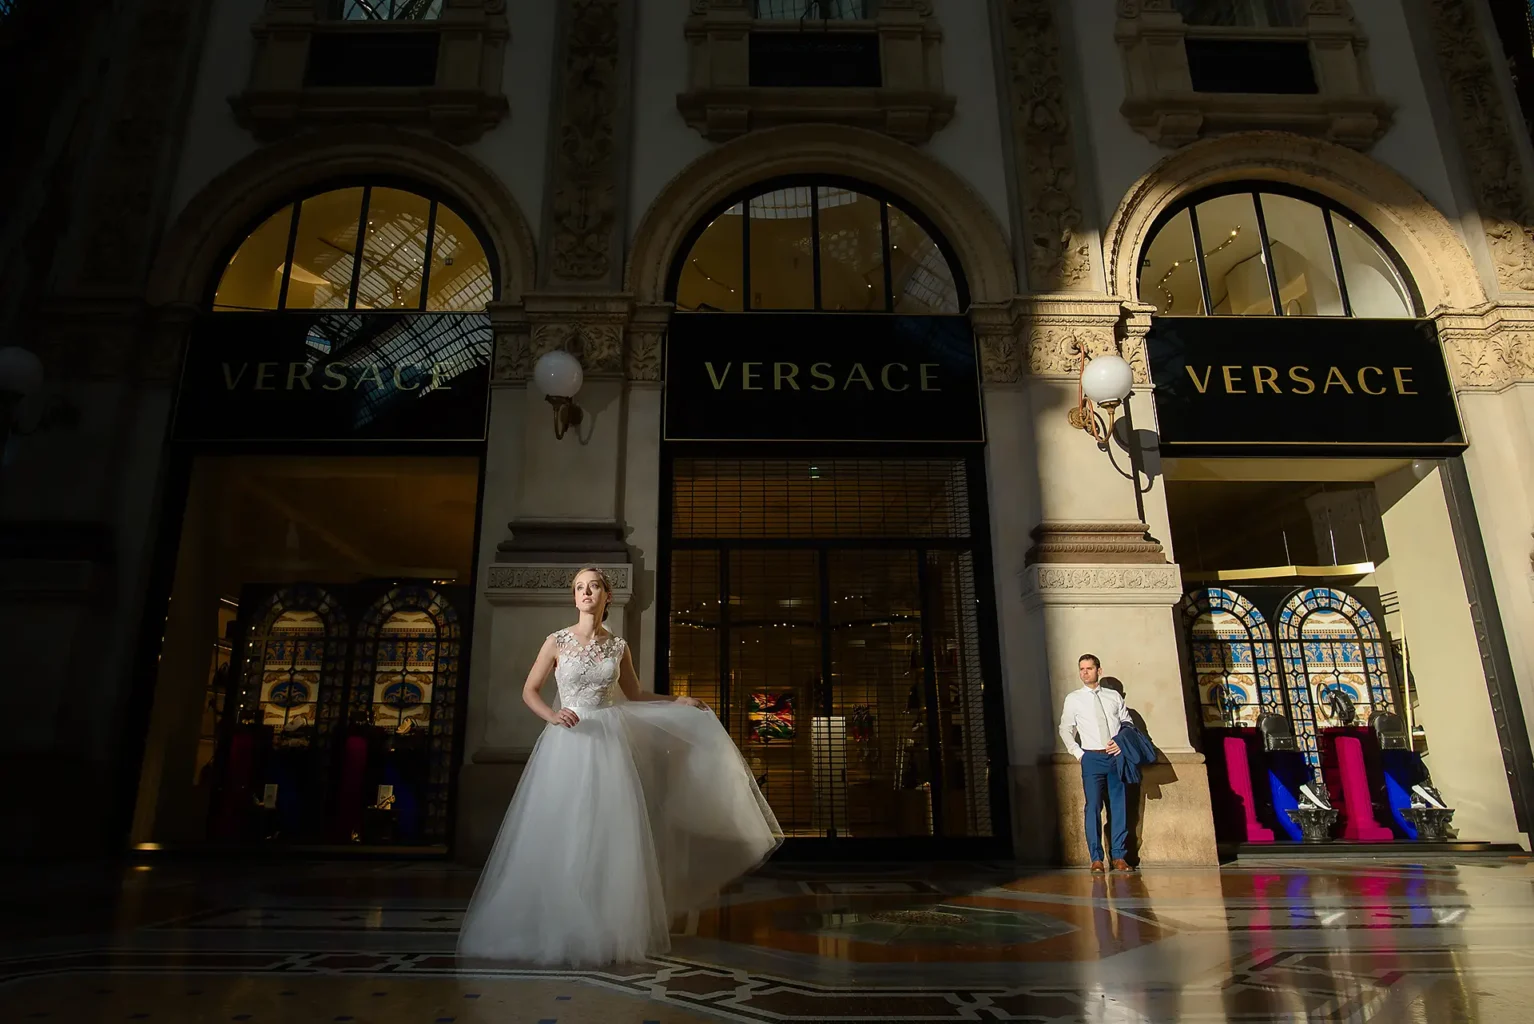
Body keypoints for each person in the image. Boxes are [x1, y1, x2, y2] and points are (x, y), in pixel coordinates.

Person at [457, 567, 783, 965]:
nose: (585, 592)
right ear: (574, 597)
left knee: (606, 832)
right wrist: (552, 715)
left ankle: (601, 926)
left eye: (593, 586)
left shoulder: (618, 647)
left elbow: (636, 694)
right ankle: (552, 923)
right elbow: (529, 690)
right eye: (579, 587)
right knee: (561, 829)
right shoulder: (556, 641)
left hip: (609, 745)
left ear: (607, 595)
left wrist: (676, 700)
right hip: (569, 742)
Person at [1058, 653, 1135, 873]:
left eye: (1089, 669)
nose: (1084, 673)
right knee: (1093, 807)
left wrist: (1120, 744)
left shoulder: (1113, 696)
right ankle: (1096, 859)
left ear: (1098, 671)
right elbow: (1065, 728)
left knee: (1118, 806)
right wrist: (1078, 753)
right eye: (1081, 669)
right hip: (1091, 758)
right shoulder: (1074, 698)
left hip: (1114, 757)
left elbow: (1127, 723)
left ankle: (1119, 857)